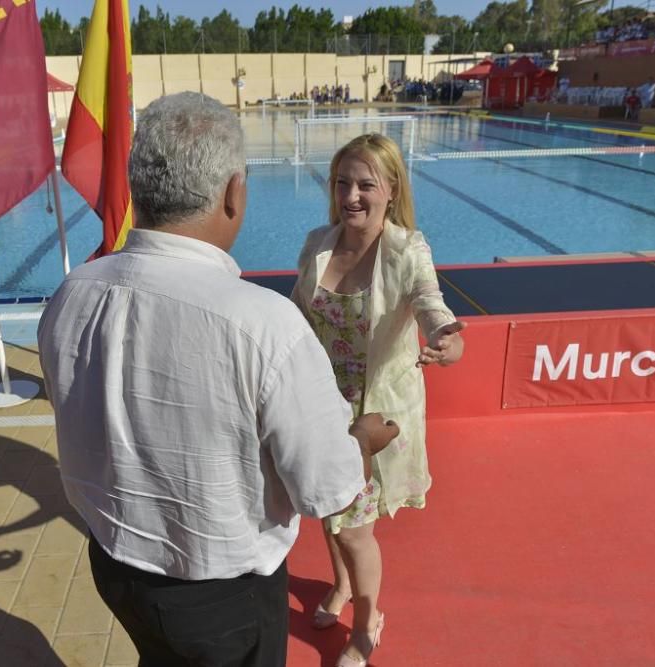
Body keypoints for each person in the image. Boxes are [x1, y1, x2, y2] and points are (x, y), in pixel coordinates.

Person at [37, 92, 400, 667]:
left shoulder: (73, 293)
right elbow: (325, 487)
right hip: (220, 596)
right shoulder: (261, 323)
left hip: (114, 566)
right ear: (234, 192)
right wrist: (364, 440)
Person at [291, 133, 465, 667]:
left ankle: (367, 623)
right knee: (327, 507)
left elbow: (430, 303)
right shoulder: (318, 243)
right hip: (319, 405)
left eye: (366, 184)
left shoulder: (406, 248)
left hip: (370, 414)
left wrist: (448, 336)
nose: (352, 195)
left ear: (391, 189)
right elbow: (296, 313)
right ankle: (341, 586)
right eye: (343, 182)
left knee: (357, 528)